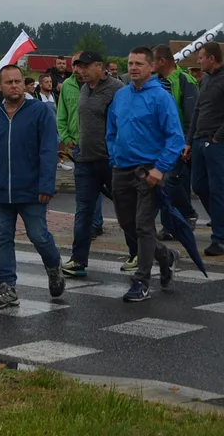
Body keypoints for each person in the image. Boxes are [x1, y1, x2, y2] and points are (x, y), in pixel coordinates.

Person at [0, 65, 66, 309]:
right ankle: (7, 287)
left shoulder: (39, 112)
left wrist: (47, 185)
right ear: (0, 86)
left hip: (32, 190)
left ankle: (53, 266)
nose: (14, 85)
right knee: (3, 239)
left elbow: (48, 151)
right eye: (9, 82)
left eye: (17, 81)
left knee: (38, 235)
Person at [106, 47, 184, 302]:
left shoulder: (161, 98)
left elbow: (175, 137)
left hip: (147, 171)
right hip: (121, 169)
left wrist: (160, 169)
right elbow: (112, 130)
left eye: (139, 63)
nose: (133, 67)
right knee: (127, 224)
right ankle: (165, 255)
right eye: (130, 63)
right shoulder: (121, 96)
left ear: (151, 67)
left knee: (143, 226)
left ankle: (141, 280)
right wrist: (114, 155)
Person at [62, 51, 127, 279]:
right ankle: (78, 260)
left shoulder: (117, 89)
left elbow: (124, 123)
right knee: (83, 211)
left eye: (85, 66)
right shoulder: (83, 89)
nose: (81, 70)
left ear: (99, 66)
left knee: (125, 208)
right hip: (85, 161)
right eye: (78, 66)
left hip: (110, 161)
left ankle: (139, 253)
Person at [185, 42, 224, 256]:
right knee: (199, 185)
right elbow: (198, 111)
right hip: (200, 140)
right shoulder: (206, 79)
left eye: (201, 57)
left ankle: (220, 239)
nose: (198, 61)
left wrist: (220, 136)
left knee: (218, 189)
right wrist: (189, 140)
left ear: (211, 58)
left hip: (219, 142)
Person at [151, 45, 200, 240]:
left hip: (177, 142)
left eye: (152, 60)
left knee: (173, 181)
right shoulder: (154, 82)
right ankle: (170, 226)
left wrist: (187, 143)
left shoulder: (184, 80)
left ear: (162, 61)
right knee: (163, 184)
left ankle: (187, 215)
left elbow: (191, 115)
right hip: (158, 142)